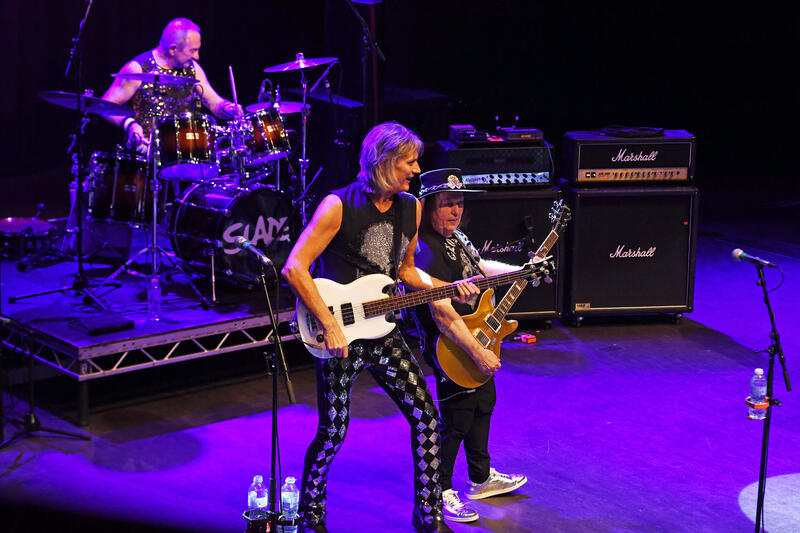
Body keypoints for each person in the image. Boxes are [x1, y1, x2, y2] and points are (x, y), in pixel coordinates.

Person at [282, 123, 479, 533]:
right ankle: (310, 517)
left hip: (385, 331)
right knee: (333, 432)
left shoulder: (412, 206)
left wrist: (448, 288)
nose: (416, 169)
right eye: (409, 161)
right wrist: (329, 326)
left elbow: (405, 270)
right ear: (385, 162)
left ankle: (429, 519)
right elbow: (295, 267)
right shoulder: (338, 205)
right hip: (340, 333)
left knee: (426, 417)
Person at [407, 168, 528, 524]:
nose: (455, 211)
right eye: (447, 204)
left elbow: (479, 266)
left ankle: (480, 478)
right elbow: (442, 315)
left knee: (483, 403)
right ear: (429, 206)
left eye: (459, 203)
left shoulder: (456, 237)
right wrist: (478, 353)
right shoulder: (426, 250)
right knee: (456, 419)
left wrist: (520, 270)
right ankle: (439, 491)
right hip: (451, 346)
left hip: (476, 334)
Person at [102, 17, 242, 154]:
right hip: (143, 151)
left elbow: (214, 103)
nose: (197, 56)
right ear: (173, 49)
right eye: (193, 51)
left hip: (182, 152)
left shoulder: (193, 69)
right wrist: (130, 125)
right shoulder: (138, 68)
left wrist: (228, 107)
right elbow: (106, 106)